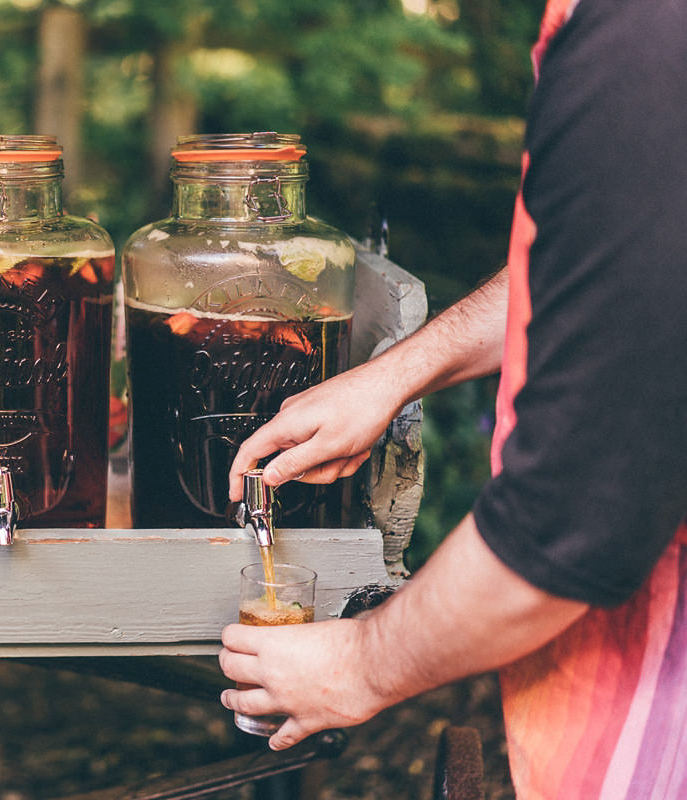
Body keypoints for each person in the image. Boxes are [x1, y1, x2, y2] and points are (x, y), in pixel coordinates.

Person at [216, 0, 687, 796]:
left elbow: (570, 522)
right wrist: (396, 372)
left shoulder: (642, 34)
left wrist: (361, 664)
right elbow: (616, 269)